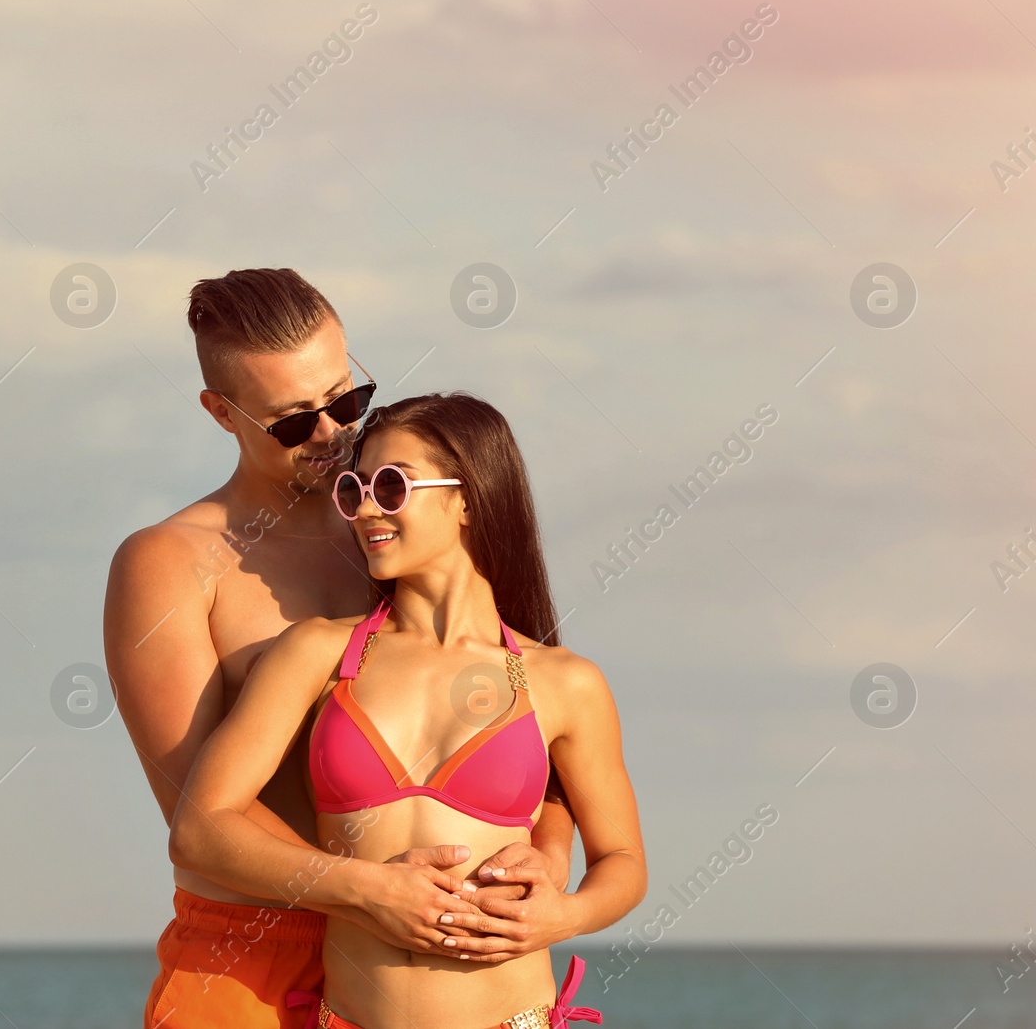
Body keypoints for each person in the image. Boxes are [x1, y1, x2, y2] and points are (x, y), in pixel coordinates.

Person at [104, 269, 578, 1029]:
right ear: (220, 413)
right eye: (294, 422)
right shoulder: (169, 564)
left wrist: (547, 863)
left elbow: (544, 736)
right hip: (251, 960)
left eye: (346, 400)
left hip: (423, 957)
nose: (333, 435)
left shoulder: (400, 531)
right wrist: (367, 889)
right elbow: (197, 814)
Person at [170, 392, 646, 1029]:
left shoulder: (564, 681)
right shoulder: (316, 652)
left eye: (391, 486)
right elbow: (200, 830)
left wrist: (565, 915)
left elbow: (622, 860)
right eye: (354, 489)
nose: (366, 508)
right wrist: (366, 889)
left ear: (469, 497)